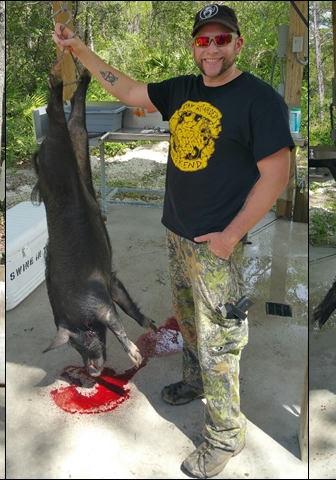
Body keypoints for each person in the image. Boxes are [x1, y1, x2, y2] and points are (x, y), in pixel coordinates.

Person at [53, 4, 292, 478]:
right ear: (194, 46)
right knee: (188, 320)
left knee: (220, 338)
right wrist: (77, 48)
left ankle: (225, 435)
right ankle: (195, 379)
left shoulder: (259, 100)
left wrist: (230, 236)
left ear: (238, 43)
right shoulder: (182, 89)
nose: (211, 49)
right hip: (178, 234)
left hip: (218, 244)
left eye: (221, 39)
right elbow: (125, 89)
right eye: (203, 40)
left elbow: (277, 174)